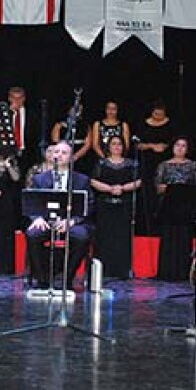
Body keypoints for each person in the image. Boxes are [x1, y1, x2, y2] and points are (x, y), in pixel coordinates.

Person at [26, 141, 96, 290]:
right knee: (32, 234)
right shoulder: (40, 179)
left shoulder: (82, 180)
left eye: (64, 153)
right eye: (56, 152)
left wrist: (72, 221)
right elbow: (32, 202)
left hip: (71, 222)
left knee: (82, 236)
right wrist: (37, 218)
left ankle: (66, 277)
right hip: (47, 220)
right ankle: (42, 278)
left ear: (71, 158)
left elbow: (88, 204)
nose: (59, 155)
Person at [90, 135, 142, 279]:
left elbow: (138, 181)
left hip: (125, 205)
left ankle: (122, 271)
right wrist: (110, 189)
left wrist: (122, 188)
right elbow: (93, 181)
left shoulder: (132, 164)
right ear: (108, 146)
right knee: (104, 237)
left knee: (122, 238)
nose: (117, 147)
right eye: (113, 144)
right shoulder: (101, 163)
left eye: (119, 144)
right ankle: (103, 270)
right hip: (105, 205)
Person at [154, 136, 196, 281]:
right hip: (168, 206)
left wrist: (179, 190)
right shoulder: (164, 165)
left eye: (183, 145)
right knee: (168, 237)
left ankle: (183, 273)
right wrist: (174, 189)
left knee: (183, 238)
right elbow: (158, 187)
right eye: (177, 145)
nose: (180, 148)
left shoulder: (193, 166)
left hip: (186, 207)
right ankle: (166, 272)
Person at [133, 101, 173, 235]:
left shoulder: (170, 125)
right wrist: (152, 146)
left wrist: (164, 147)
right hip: (147, 163)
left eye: (161, 115)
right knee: (148, 194)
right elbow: (137, 145)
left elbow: (175, 142)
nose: (158, 117)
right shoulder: (143, 125)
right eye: (156, 114)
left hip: (165, 164)